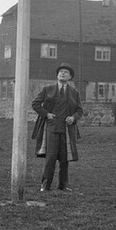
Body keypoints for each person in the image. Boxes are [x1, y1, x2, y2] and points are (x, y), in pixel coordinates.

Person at [31, 62, 84, 192]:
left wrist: (73, 118)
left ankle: (63, 185)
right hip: (51, 128)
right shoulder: (47, 89)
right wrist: (46, 114)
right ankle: (45, 185)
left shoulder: (74, 93)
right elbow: (35, 104)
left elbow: (79, 110)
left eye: (66, 72)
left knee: (65, 158)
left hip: (67, 129)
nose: (63, 73)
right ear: (57, 75)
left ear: (70, 77)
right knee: (50, 158)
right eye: (61, 71)